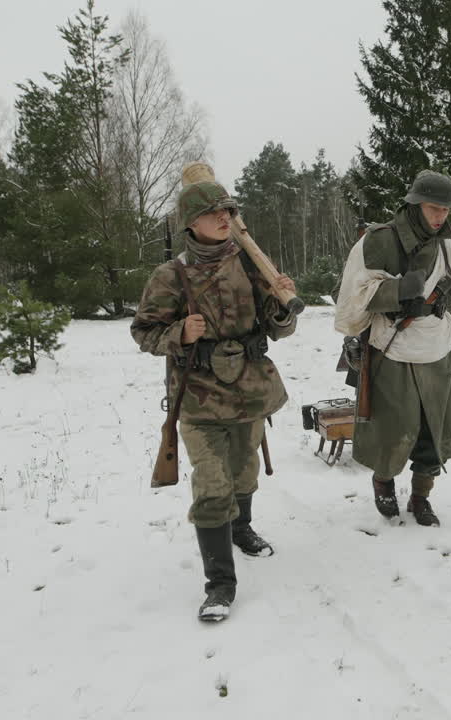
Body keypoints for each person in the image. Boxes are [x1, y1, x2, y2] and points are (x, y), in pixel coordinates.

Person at [131, 180, 297, 622]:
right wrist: (179, 334)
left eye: (229, 210)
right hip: (199, 401)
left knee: (244, 472)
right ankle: (220, 584)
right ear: (192, 222)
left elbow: (278, 328)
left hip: (248, 390)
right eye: (214, 212)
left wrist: (280, 304)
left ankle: (241, 527)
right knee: (212, 485)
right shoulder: (170, 275)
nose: (225, 218)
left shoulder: (251, 264)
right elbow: (143, 332)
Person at [334, 170, 451, 527]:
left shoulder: (447, 244)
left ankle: (421, 496)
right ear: (415, 205)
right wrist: (397, 290)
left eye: (445, 210)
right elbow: (351, 298)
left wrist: (436, 296)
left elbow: (449, 282)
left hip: (434, 344)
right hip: (392, 343)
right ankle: (383, 481)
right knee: (393, 425)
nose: (440, 217)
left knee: (430, 428)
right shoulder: (377, 242)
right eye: (434, 208)